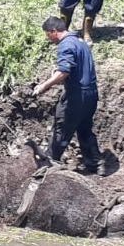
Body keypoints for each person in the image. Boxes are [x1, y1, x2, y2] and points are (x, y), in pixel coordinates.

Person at [33, 17, 106, 176]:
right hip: (91, 94)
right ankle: (95, 162)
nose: (48, 38)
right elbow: (76, 70)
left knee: (62, 127)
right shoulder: (81, 42)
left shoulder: (65, 45)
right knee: (84, 127)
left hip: (76, 96)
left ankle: (49, 164)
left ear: (54, 31)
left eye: (48, 34)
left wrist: (44, 86)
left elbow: (64, 71)